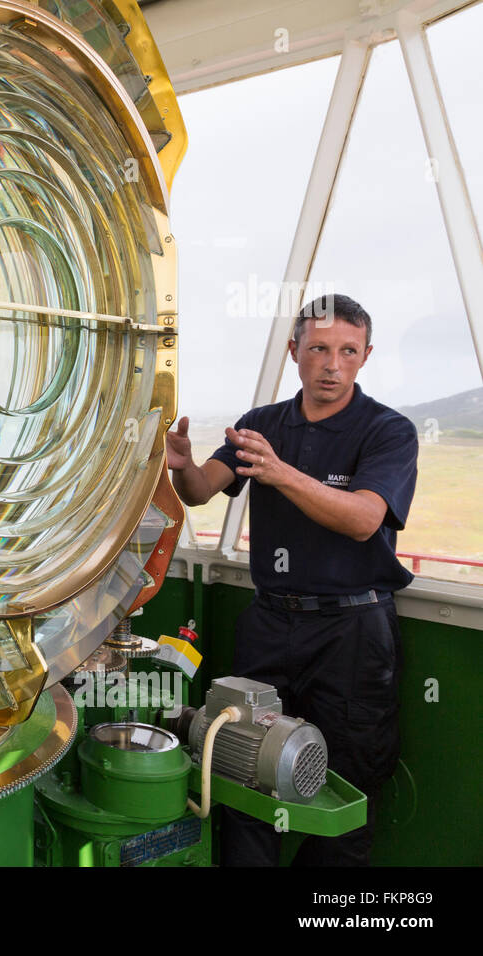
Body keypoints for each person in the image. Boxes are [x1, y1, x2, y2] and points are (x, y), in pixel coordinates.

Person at [165, 294, 417, 866]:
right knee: (243, 769)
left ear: (365, 355)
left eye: (348, 351)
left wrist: (281, 472)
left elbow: (363, 519)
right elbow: (205, 489)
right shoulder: (262, 425)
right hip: (271, 623)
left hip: (352, 634)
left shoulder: (388, 431)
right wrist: (183, 467)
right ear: (293, 351)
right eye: (319, 349)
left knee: (348, 789)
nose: (333, 364)